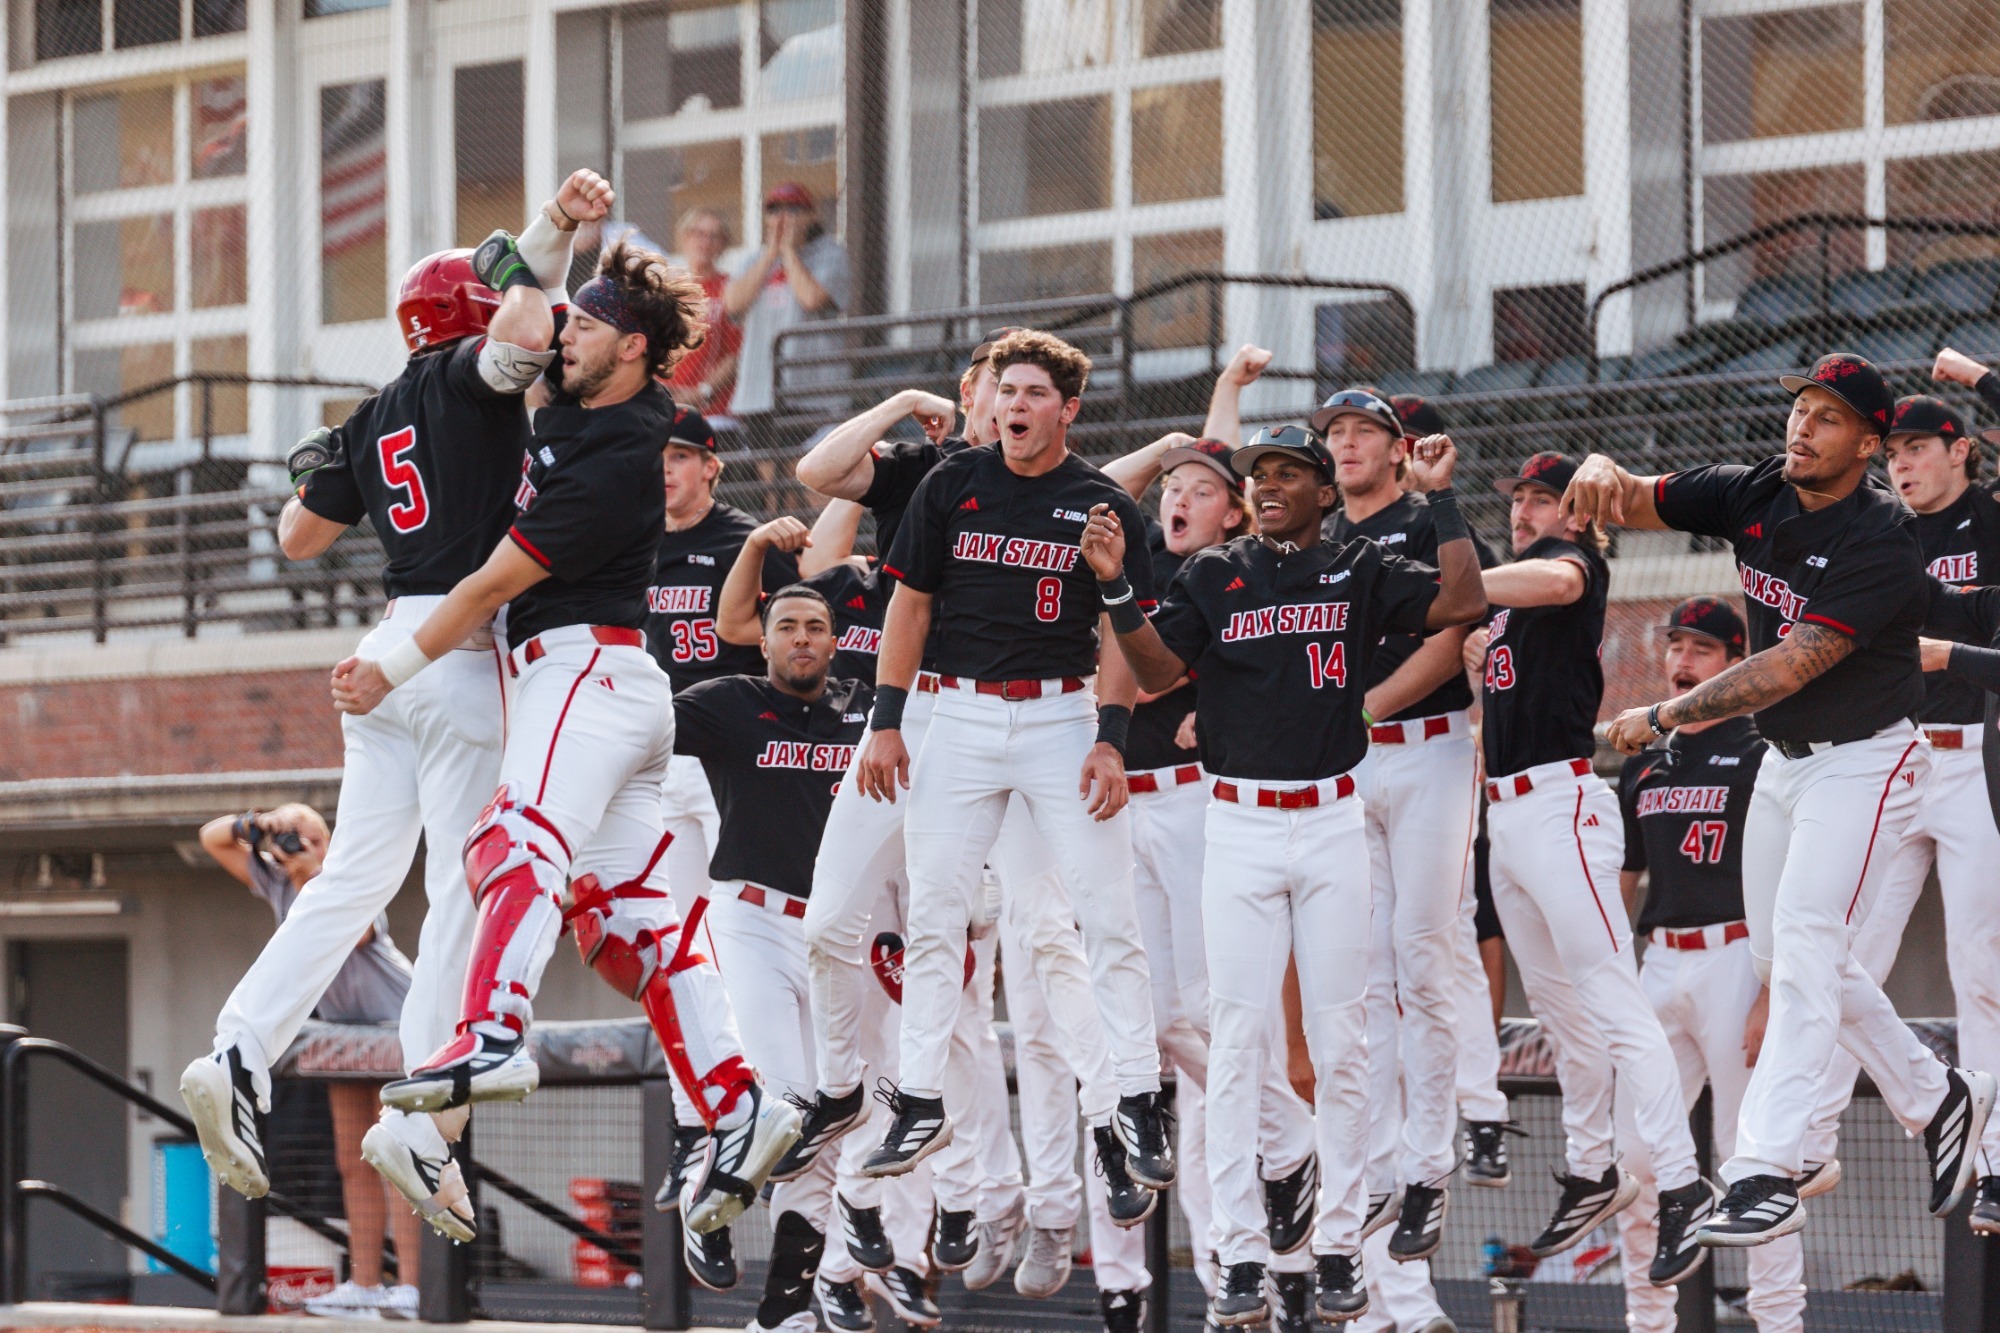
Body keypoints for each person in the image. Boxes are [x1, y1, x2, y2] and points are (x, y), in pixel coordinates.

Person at [332, 238, 799, 1239]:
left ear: (628, 349)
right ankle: (740, 1098)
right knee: (627, 927)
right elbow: (516, 334)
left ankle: (492, 1032)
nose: (561, 335)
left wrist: (390, 666)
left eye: (582, 325)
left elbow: (491, 585)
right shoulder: (591, 407)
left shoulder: (622, 453)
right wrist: (545, 242)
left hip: (580, 671)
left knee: (511, 840)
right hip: (616, 696)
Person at [179, 171, 607, 1242]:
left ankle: (236, 1047)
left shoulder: (373, 411)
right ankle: (421, 1104)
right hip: (454, 645)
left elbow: (295, 537)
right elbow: (515, 328)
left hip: (386, 644)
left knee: (354, 880)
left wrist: (327, 464)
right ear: (460, 316)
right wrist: (537, 239)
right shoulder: (469, 375)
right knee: (466, 882)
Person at [1565, 351, 1996, 1246]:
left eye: (1829, 415)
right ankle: (1936, 1092)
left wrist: (1669, 712)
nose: (1804, 424)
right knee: (1791, 960)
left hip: (1869, 761)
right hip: (1784, 761)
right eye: (1801, 406)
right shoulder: (1758, 488)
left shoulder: (1883, 536)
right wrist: (1604, 473)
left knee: (1804, 949)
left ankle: (1765, 1165)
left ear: (1869, 443)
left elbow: (1787, 664)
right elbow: (1639, 496)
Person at [1081, 423, 1485, 1327]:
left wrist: (1443, 496)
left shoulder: (1359, 566)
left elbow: (1462, 598)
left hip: (1335, 821)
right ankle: (1239, 1254)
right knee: (1235, 1043)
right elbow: (1153, 666)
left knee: (1344, 1047)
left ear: (1320, 490)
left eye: (1288, 472)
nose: (1268, 485)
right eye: (1258, 473)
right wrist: (1115, 587)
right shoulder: (1215, 574)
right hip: (1238, 826)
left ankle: (1340, 1244)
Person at [854, 330, 1175, 1194]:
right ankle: (918, 1097)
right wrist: (888, 721)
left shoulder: (1101, 502)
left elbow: (1122, 634)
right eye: (1007, 393)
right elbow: (908, 610)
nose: (1015, 407)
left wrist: (1111, 736)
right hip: (953, 711)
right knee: (935, 914)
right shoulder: (950, 482)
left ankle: (1139, 1097)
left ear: (1068, 408)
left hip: (1058, 713)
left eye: (1035, 394)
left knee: (1106, 915)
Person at [1465, 451, 1712, 1284]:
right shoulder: (1507, 595)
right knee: (1563, 1015)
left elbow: (1558, 583)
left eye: (1542, 497)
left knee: (1612, 996)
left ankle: (1681, 1183)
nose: (1523, 509)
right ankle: (1591, 1164)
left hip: (1561, 805)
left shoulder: (1573, 563)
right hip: (1506, 813)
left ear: (1576, 512)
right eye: (1519, 496)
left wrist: (1464, 580)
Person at [1795, 355, 2000, 1232]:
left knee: (1979, 966)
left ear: (1962, 452)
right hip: (1897, 756)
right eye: (1898, 449)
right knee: (1846, 950)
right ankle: (1810, 1134)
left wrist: (1981, 376)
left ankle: (1993, 1162)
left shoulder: (1990, 520)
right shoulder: (1880, 529)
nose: (1906, 463)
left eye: (1922, 445)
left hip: (1973, 766)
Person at [669, 585, 873, 1333]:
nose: (801, 638)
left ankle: (784, 1312)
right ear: (764, 639)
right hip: (752, 916)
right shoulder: (726, 701)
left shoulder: (866, 709)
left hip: (834, 932)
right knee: (783, 1105)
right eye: (787, 625)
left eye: (816, 627)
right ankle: (704, 1200)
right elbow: (635, 730)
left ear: (834, 639)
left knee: (822, 1130)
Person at [1612, 597, 1807, 1333]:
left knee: (1750, 1161)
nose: (1681, 660)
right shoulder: (1646, 757)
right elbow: (1626, 877)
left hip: (1736, 958)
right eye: (1675, 645)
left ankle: (1780, 1322)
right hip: (1659, 960)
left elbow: (1788, 878)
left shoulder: (1761, 746)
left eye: (1700, 648)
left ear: (1733, 661)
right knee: (1634, 1163)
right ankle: (1648, 1321)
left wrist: (1766, 991)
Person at [199, 806, 424, 1320]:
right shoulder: (280, 886)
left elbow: (359, 934)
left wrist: (313, 868)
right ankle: (365, 1284)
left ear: (329, 845)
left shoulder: (346, 883)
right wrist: (255, 825)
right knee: (353, 1159)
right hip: (343, 1032)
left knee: (399, 1158)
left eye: (313, 838)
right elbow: (211, 839)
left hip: (397, 1028)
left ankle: (412, 1284)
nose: (302, 846)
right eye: (292, 838)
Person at [646, 409, 800, 913]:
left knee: (742, 906)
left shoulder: (746, 541)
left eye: (680, 457)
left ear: (711, 466)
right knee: (680, 920)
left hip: (734, 747)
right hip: (665, 749)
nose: (665, 469)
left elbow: (798, 637)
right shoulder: (635, 545)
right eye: (657, 458)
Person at [725, 181, 852, 422]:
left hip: (813, 387)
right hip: (759, 388)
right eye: (774, 210)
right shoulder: (754, 259)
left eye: (793, 210)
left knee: (803, 460)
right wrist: (771, 254)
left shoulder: (830, 254)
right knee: (765, 459)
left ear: (812, 216)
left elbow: (811, 299)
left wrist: (789, 252)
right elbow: (732, 303)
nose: (783, 217)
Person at [665, 207, 741, 423]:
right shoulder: (665, 289)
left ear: (723, 244)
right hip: (665, 402)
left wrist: (702, 391)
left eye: (713, 236)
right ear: (684, 237)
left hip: (711, 407)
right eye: (697, 233)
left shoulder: (730, 289)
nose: (704, 242)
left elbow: (735, 355)